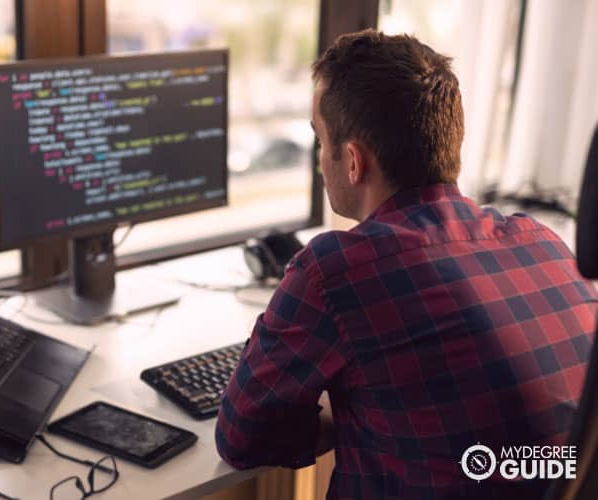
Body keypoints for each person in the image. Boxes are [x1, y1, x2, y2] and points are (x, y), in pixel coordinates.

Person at [215, 29, 597, 499]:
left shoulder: (334, 270)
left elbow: (241, 436)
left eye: (320, 140)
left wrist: (346, 416)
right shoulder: (544, 242)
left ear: (353, 161)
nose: (320, 159)